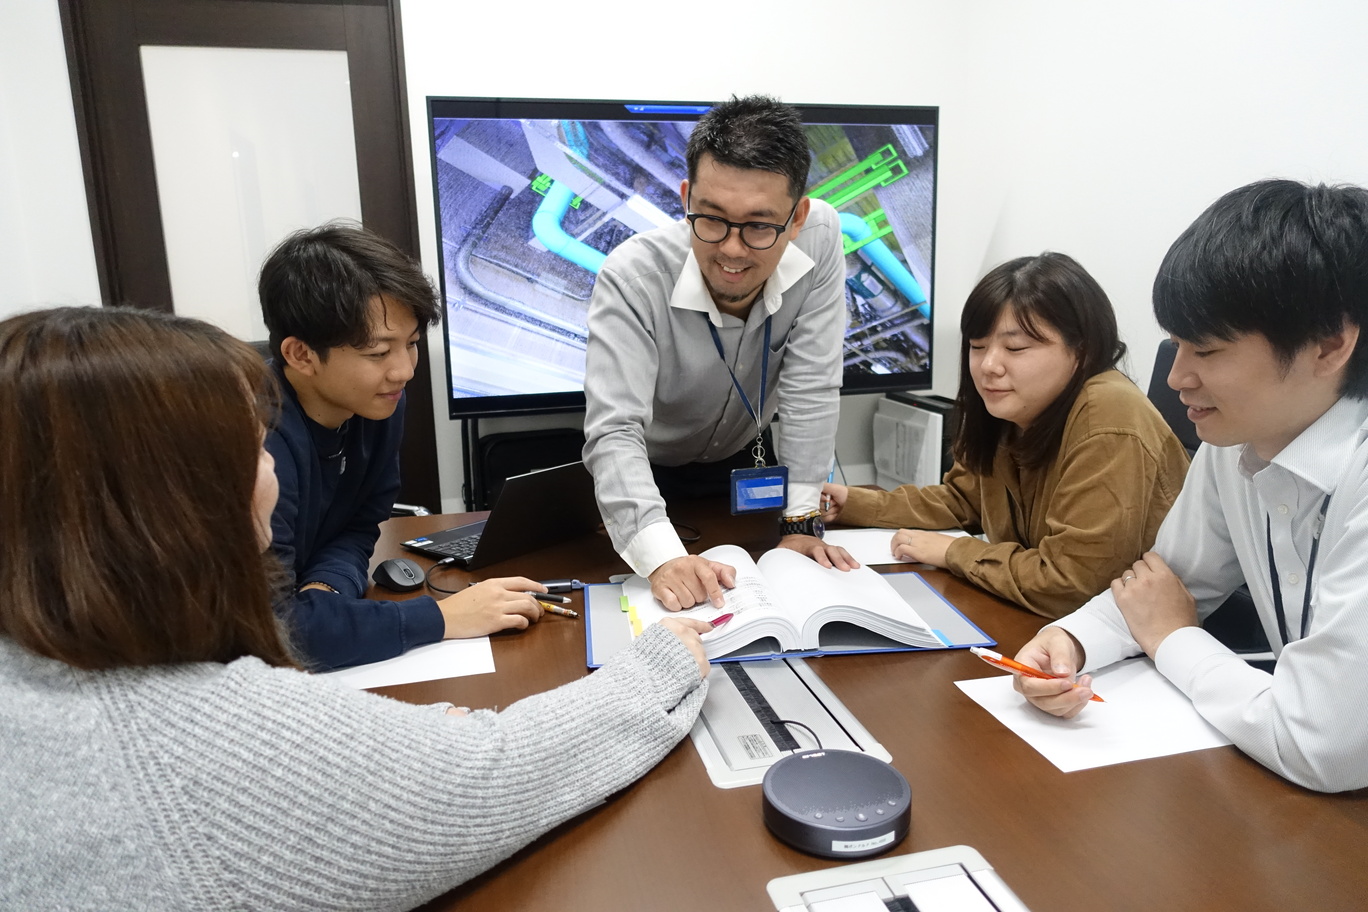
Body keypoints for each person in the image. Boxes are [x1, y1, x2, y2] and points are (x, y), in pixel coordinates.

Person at [0, 306, 712, 909]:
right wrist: (657, 664)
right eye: (253, 450)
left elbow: (358, 526)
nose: (401, 371)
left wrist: (377, 742)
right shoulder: (198, 740)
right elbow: (495, 778)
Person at [1014, 180, 1368, 793]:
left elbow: (1321, 744)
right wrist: (1069, 640)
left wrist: (1174, 639)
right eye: (1175, 344)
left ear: (1329, 345)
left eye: (1205, 349)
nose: (1177, 377)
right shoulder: (1236, 441)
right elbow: (1160, 587)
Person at [583, 95, 855, 613]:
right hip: (647, 475)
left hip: (744, 468)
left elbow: (811, 384)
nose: (731, 249)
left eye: (759, 225)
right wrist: (662, 557)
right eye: (710, 219)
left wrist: (800, 522)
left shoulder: (820, 239)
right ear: (686, 197)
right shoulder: (632, 276)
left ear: (796, 218)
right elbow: (616, 428)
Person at [821, 253, 1190, 618]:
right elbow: (962, 499)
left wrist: (952, 552)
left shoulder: (1108, 415)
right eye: (977, 347)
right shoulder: (1014, 407)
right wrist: (854, 503)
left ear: (1082, 350)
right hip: (1041, 622)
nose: (988, 366)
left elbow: (1071, 583)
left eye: (1015, 348)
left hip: (1129, 640)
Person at [259, 223, 546, 670]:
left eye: (411, 345)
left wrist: (327, 590)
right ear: (300, 355)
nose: (403, 371)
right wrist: (441, 617)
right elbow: (272, 631)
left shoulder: (378, 404)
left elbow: (358, 527)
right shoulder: (255, 443)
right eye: (377, 353)